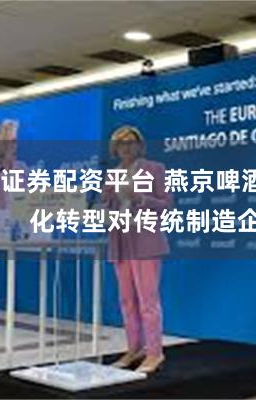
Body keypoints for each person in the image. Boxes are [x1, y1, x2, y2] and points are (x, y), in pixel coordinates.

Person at [101, 125, 173, 373]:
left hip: (145, 241)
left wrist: (140, 198)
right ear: (115, 148)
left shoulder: (154, 169)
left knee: (147, 301)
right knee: (126, 300)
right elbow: (107, 208)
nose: (126, 147)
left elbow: (166, 205)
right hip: (120, 241)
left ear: (139, 145)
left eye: (131, 142)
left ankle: (155, 353)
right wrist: (104, 203)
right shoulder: (112, 174)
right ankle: (135, 348)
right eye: (121, 143)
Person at [0, 119, 28, 210]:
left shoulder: (23, 169)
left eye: (15, 142)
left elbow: (34, 199)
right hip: (1, 217)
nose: (15, 146)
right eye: (12, 142)